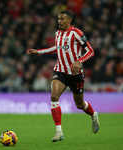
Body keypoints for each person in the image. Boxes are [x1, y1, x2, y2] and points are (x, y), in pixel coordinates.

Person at [27, 10, 99, 142]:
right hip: (60, 71)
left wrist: (79, 61)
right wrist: (39, 52)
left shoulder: (77, 33)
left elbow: (90, 51)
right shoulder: (57, 34)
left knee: (80, 105)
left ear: (69, 20)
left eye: (62, 18)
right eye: (58, 18)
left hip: (76, 74)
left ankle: (93, 115)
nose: (59, 21)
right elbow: (57, 48)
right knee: (54, 96)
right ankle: (59, 132)